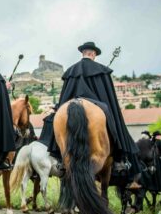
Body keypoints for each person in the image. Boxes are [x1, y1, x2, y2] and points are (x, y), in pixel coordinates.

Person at [47, 42, 142, 189]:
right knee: (113, 116)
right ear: (93, 54)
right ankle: (119, 160)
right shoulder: (101, 70)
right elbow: (107, 97)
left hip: (71, 102)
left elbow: (65, 95)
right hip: (97, 103)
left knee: (60, 114)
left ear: (83, 53)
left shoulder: (71, 71)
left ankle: (59, 158)